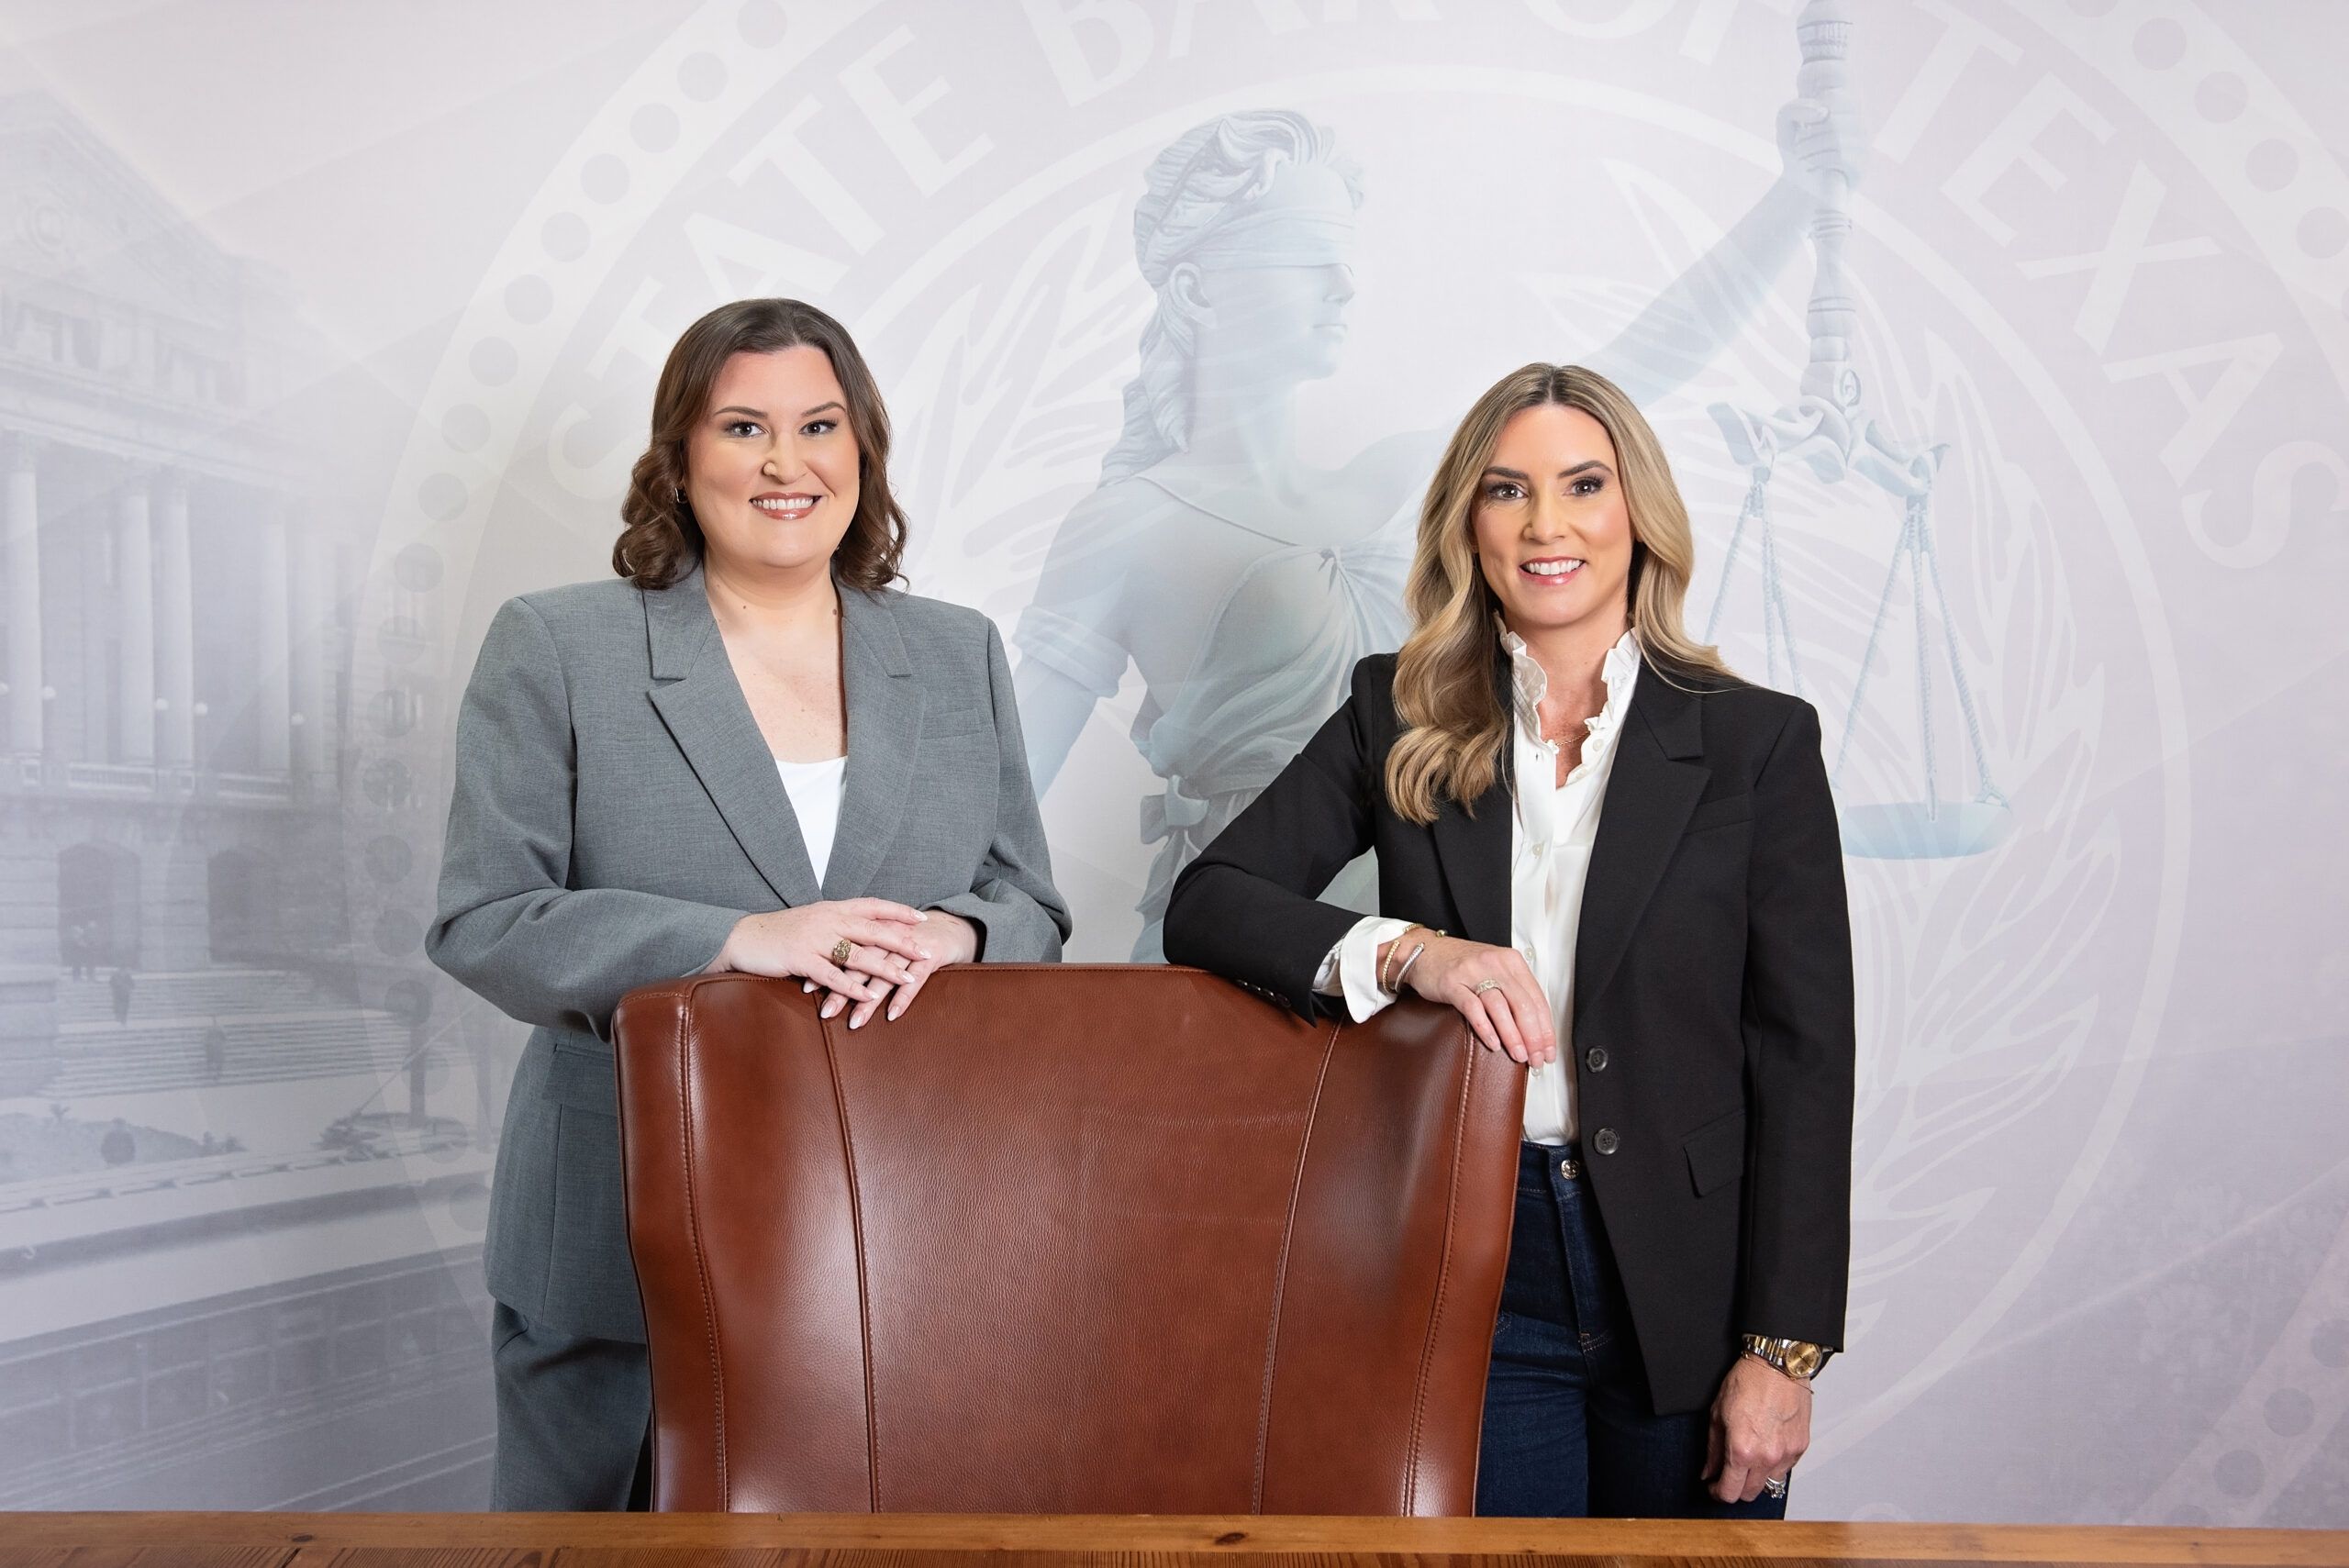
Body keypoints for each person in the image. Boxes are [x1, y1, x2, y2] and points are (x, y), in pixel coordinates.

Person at [1164, 364, 1854, 1518]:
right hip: (1466, 1259)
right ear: (1466, 524)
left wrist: (1782, 1350)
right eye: (1505, 489)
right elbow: (1212, 898)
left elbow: (1803, 1057)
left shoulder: (1757, 743)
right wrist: (1409, 952)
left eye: (1582, 484)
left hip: (1688, 1279)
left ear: (1637, 511)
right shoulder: (1394, 709)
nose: (1546, 524)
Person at [428, 297, 1071, 1512]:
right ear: (680, 457)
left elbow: (1028, 897)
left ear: (863, 450)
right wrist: (733, 941)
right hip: (621, 1240)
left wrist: (962, 932)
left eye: (820, 425)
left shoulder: (955, 651)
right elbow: (484, 919)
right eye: (743, 427)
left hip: (907, 1229)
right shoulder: (559, 646)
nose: (788, 463)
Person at [1018, 92, 1858, 959]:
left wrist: (1795, 198)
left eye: (1342, 258)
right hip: (1249, 963)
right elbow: (1005, 800)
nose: (1345, 285)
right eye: (1307, 258)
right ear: (1195, 288)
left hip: (1445, 953)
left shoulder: (1419, 473)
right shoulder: (1127, 524)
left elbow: (1644, 360)